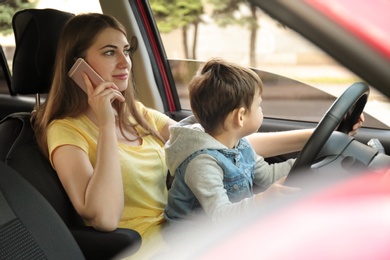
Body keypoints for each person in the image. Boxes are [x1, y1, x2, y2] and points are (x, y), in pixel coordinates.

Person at [31, 13, 363, 257]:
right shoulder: (66, 131)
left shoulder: (138, 114)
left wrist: (322, 134)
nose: (125, 62)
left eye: (127, 50)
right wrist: (104, 125)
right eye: (109, 52)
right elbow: (103, 218)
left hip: (190, 230)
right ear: (77, 65)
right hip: (149, 249)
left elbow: (216, 146)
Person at [163, 58, 363, 225]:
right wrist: (262, 200)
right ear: (240, 117)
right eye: (259, 106)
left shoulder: (239, 144)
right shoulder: (201, 163)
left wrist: (311, 162)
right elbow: (221, 216)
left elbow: (267, 175)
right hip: (192, 238)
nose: (261, 110)